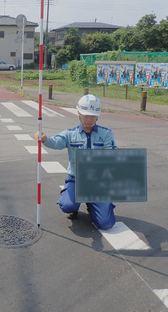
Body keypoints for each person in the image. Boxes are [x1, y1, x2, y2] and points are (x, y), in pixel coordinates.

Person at [35, 94, 117, 230]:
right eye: (86, 115)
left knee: (106, 224)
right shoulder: (70, 134)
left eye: (93, 115)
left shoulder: (107, 134)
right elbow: (56, 142)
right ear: (78, 113)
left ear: (98, 115)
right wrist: (44, 138)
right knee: (67, 205)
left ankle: (93, 204)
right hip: (76, 179)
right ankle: (72, 203)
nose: (89, 119)